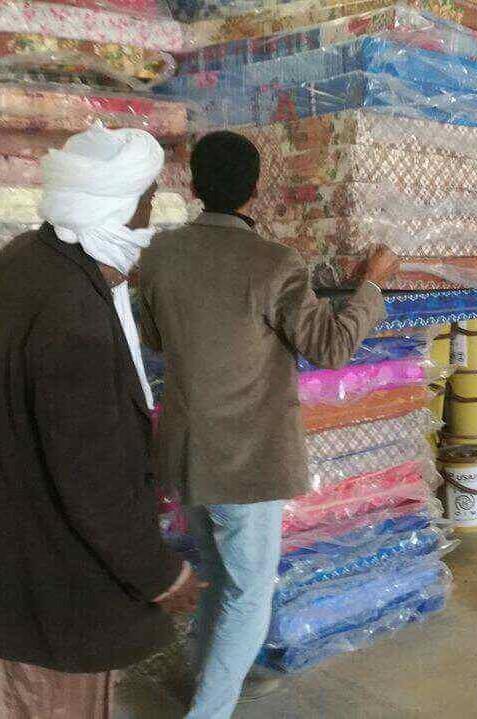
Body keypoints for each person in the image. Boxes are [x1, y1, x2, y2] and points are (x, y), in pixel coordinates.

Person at [137, 131, 399, 718]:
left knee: (218, 577)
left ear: (194, 185)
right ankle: (208, 709)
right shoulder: (274, 263)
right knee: (248, 595)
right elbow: (330, 347)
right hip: (246, 461)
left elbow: (154, 339)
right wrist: (373, 284)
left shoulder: (158, 255)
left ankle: (211, 675)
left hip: (186, 454)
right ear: (255, 190)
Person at [0, 122, 203, 718]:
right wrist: (160, 575)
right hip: (58, 594)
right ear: (116, 209)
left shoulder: (25, 261)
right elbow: (92, 479)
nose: (151, 221)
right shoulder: (73, 313)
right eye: (147, 204)